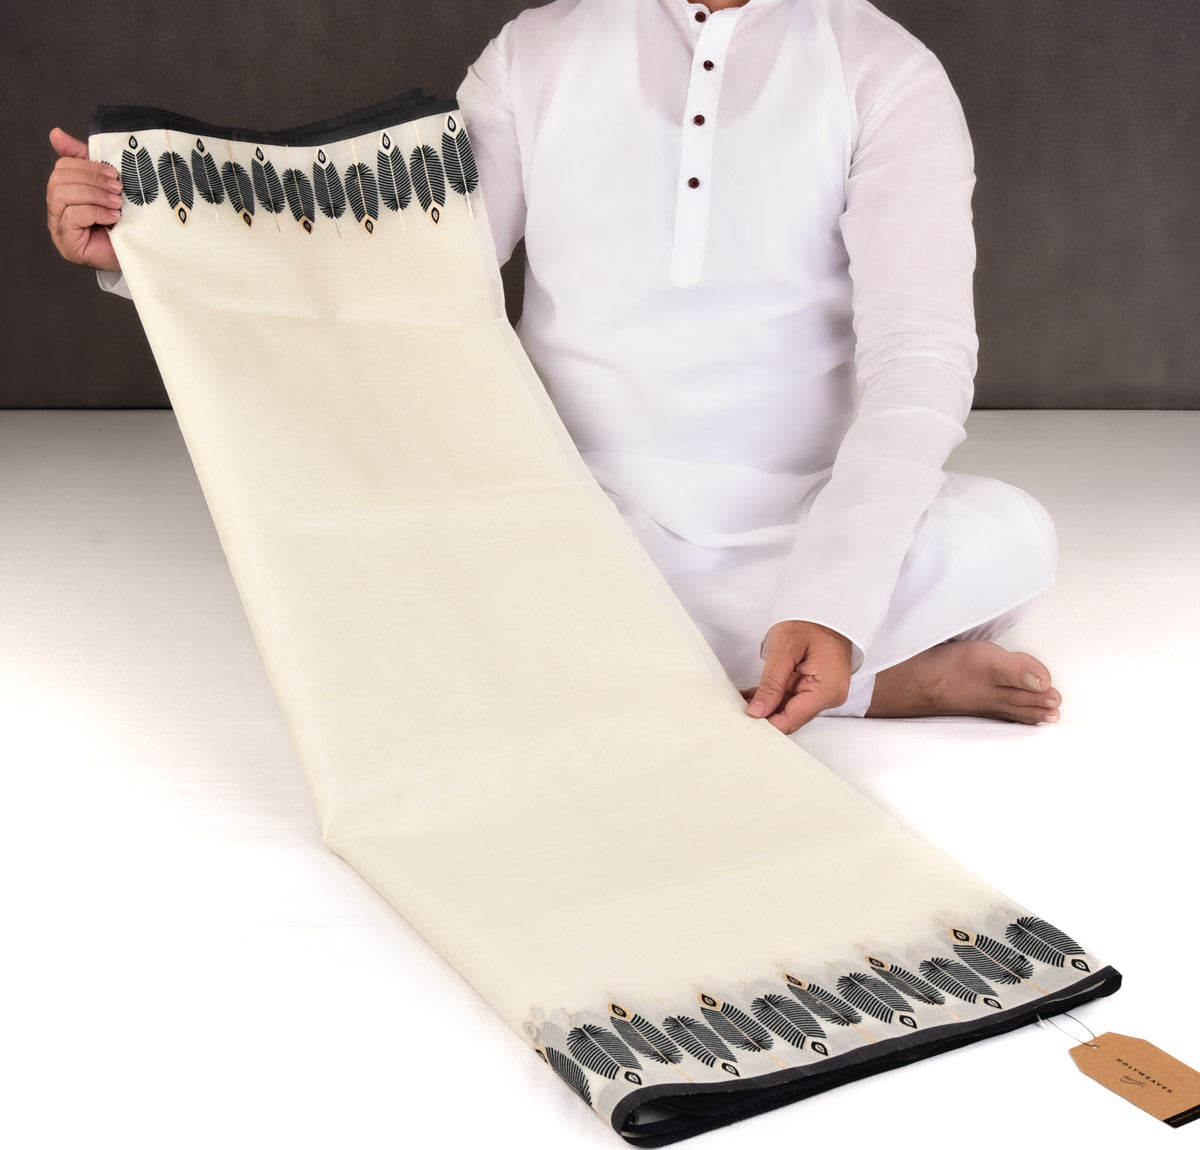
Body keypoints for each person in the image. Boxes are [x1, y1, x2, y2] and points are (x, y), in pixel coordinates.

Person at [45, 0, 1063, 735]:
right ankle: (872, 682)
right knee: (378, 536)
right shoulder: (538, 50)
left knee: (1015, 539)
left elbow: (922, 356)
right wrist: (141, 249)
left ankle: (722, 652)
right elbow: (399, 272)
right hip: (563, 510)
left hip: (798, 517)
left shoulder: (885, 70)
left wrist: (831, 595)